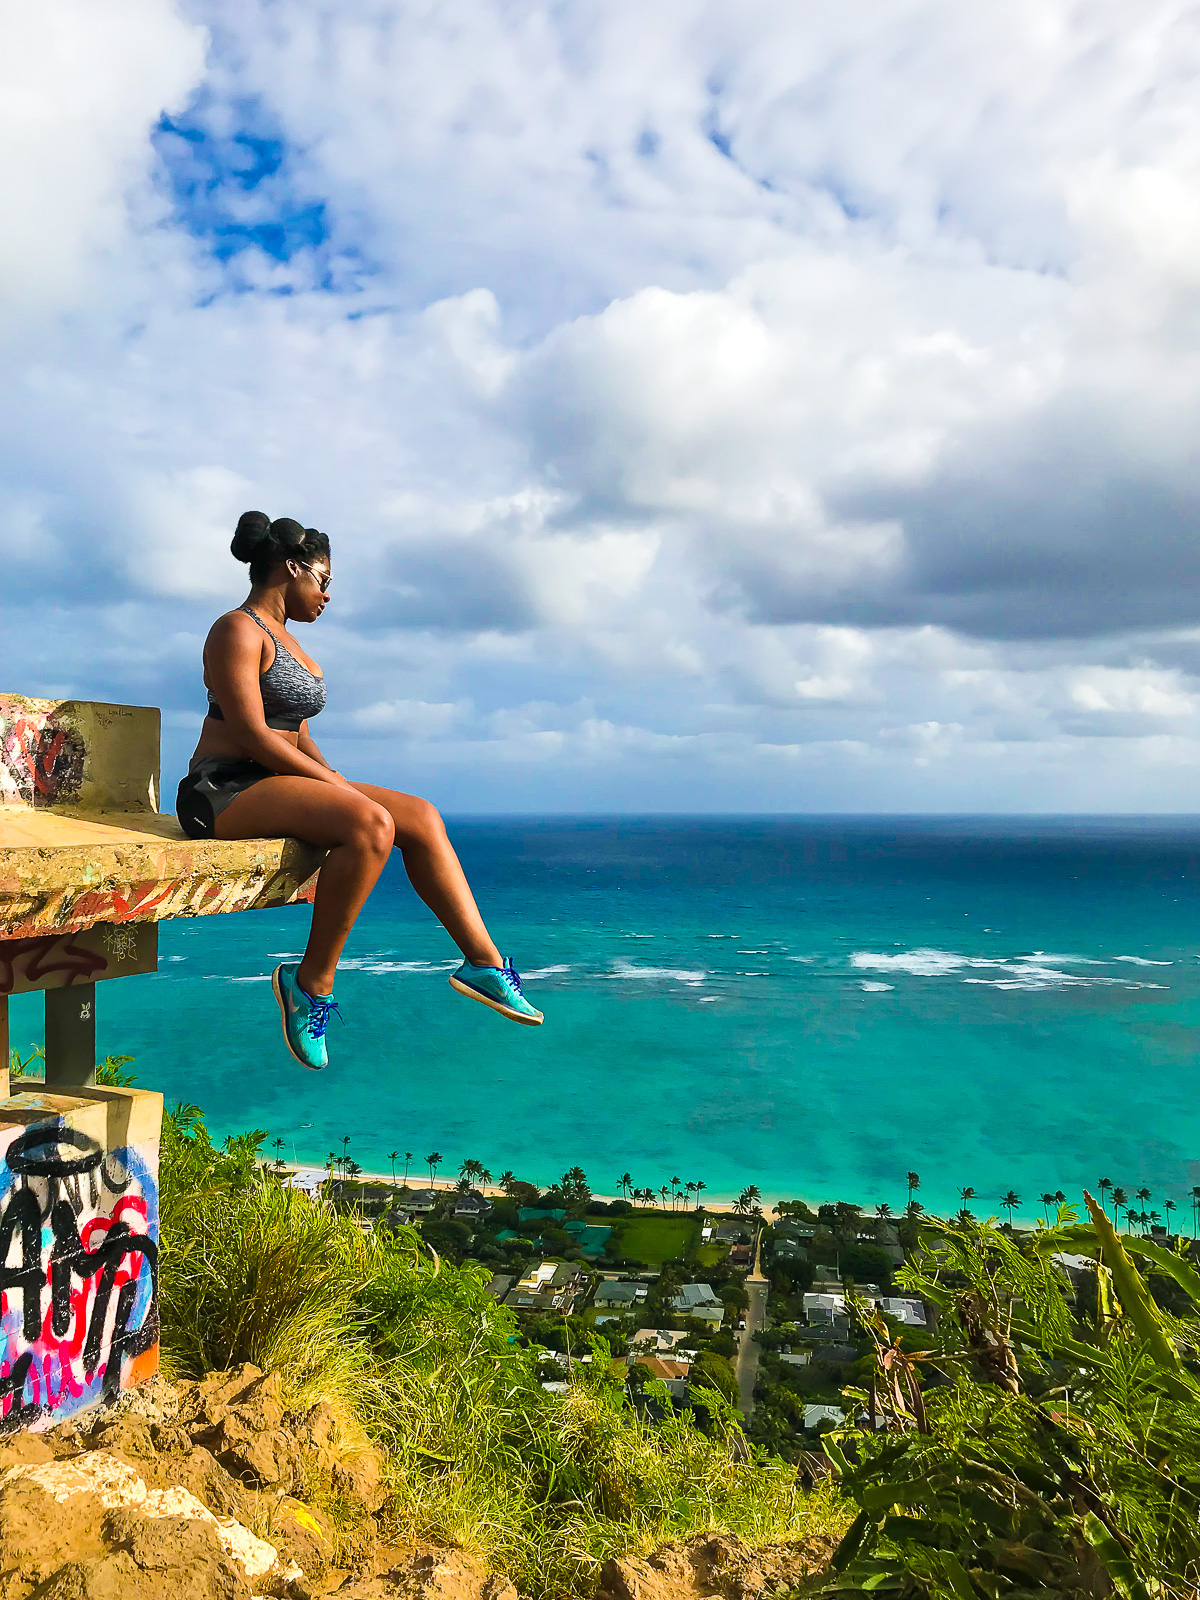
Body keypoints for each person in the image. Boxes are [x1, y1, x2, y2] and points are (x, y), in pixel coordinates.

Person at [176, 510, 542, 1069]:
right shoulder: (236, 629)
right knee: (370, 824)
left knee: (420, 816)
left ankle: (484, 964)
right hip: (222, 787)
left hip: (277, 779)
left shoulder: (293, 646)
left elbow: (297, 733)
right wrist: (337, 790)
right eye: (323, 580)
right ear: (292, 568)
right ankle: (310, 985)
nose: (328, 595)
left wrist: (336, 780)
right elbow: (251, 733)